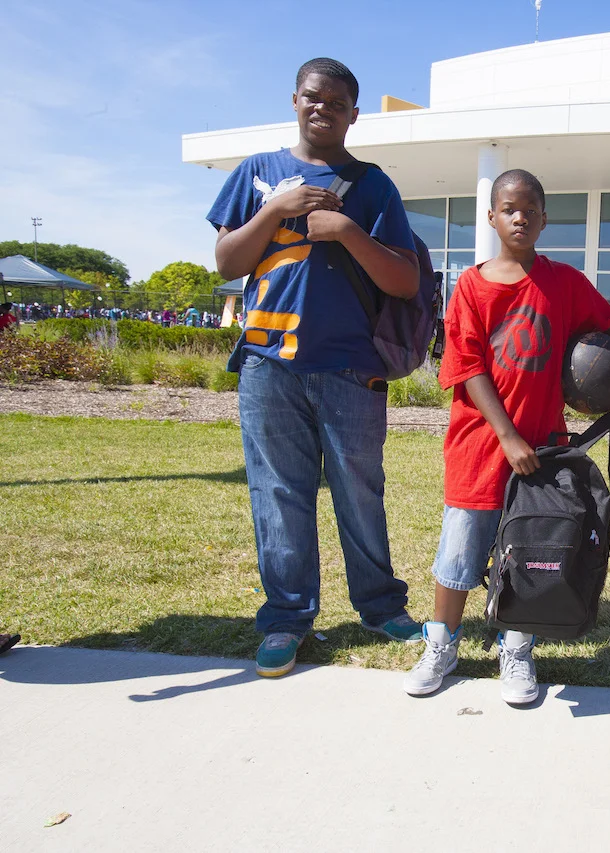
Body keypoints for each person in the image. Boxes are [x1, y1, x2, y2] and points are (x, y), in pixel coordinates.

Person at [207, 57, 424, 679]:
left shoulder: (372, 184)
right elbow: (225, 262)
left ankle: (381, 607)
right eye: (311, 97)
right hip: (266, 366)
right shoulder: (257, 173)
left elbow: (405, 281)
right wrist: (276, 210)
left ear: (354, 114)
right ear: (294, 100)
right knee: (279, 494)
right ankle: (285, 619)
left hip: (350, 368)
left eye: (336, 102)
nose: (321, 108)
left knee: (360, 492)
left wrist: (346, 229)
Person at [402, 169, 610, 705]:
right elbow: (467, 366)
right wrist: (507, 436)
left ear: (544, 218)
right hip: (479, 447)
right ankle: (442, 643)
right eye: (508, 208)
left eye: (530, 209)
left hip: (543, 451)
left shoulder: (565, 282)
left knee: (534, 549)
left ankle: (516, 648)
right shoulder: (470, 285)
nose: (520, 216)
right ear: (491, 217)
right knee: (459, 554)